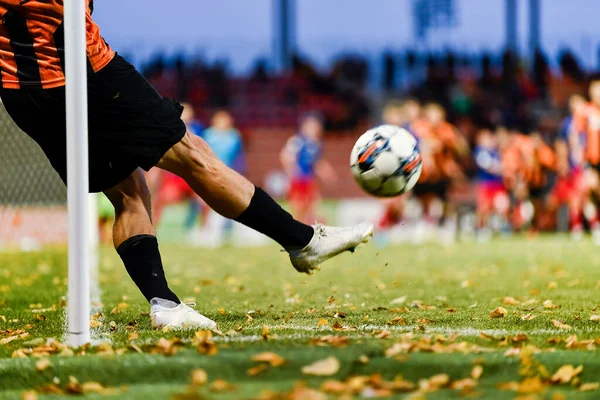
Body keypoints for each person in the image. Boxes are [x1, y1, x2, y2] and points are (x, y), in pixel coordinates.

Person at [0, 1, 373, 330]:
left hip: (25, 95)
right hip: (86, 70)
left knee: (128, 190)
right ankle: (302, 241)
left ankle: (164, 305)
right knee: (193, 155)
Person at [196, 110, 245, 247]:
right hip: (209, 172)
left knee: (231, 201)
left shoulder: (234, 136)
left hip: (228, 173)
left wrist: (240, 173)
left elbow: (239, 157)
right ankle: (204, 231)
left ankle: (231, 231)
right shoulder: (208, 135)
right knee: (205, 203)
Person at [280, 112, 336, 224]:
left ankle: (305, 231)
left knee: (313, 205)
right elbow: (285, 155)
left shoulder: (317, 144)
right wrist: (291, 173)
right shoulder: (298, 140)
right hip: (298, 180)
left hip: (309, 180)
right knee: (298, 208)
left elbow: (317, 163)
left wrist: (327, 173)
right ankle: (294, 232)